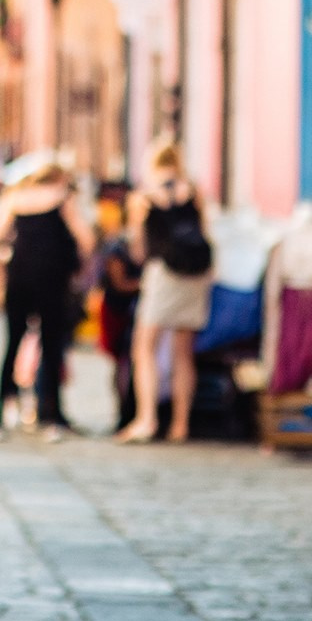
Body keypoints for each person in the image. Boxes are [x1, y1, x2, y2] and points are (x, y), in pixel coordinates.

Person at [0, 159, 93, 441]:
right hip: (53, 279)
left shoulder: (14, 197)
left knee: (12, 342)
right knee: (52, 344)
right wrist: (78, 266)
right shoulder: (63, 198)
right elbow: (87, 239)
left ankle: (0, 413)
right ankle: (51, 415)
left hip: (19, 276)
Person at [118, 142, 212, 444]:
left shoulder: (144, 197)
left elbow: (138, 249)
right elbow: (206, 233)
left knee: (144, 348)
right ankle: (180, 424)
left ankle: (147, 418)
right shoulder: (193, 191)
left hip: (164, 274)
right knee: (183, 353)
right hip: (196, 276)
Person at [93, 190, 142, 432]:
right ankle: (122, 412)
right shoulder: (118, 245)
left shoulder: (142, 242)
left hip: (131, 309)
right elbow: (119, 283)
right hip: (116, 309)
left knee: (129, 361)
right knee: (122, 361)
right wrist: (146, 284)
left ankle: (127, 411)